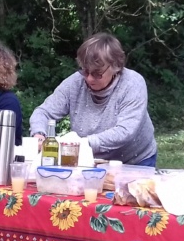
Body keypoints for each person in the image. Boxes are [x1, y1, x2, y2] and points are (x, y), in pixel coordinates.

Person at [29, 33, 157, 166]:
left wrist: (82, 143)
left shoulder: (132, 83)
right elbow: (43, 112)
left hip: (136, 160)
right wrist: (39, 134)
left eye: (97, 73)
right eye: (85, 71)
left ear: (116, 67)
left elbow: (125, 131)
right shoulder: (75, 82)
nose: (89, 78)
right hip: (92, 159)